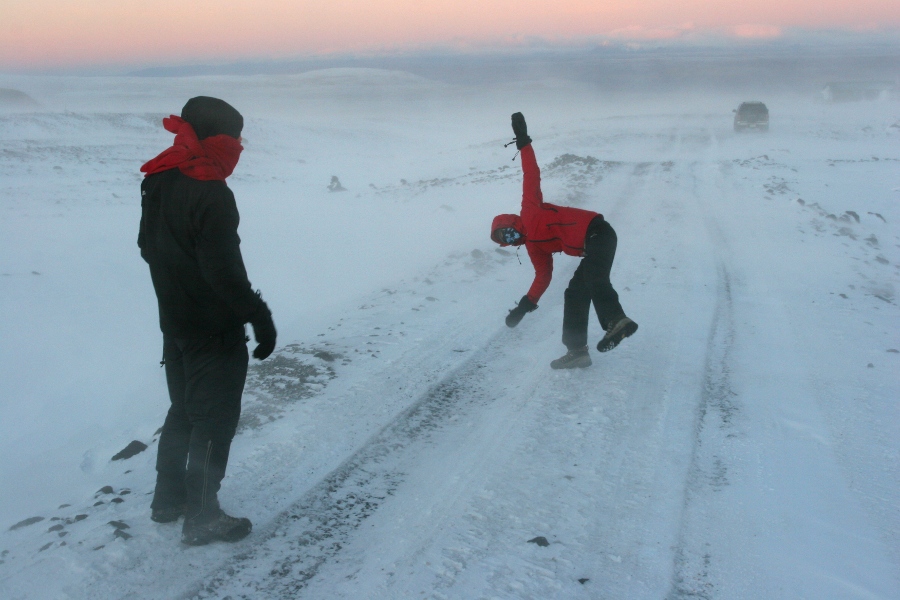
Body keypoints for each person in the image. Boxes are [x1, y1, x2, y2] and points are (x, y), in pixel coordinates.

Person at [138, 96, 277, 545]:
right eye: (235, 138)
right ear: (221, 139)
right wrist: (259, 316)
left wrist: (177, 291)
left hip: (173, 321)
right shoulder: (211, 191)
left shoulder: (159, 178)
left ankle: (168, 499)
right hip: (212, 327)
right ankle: (202, 516)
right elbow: (223, 271)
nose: (239, 147)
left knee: (183, 410)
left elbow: (147, 246)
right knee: (214, 420)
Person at [490, 112, 637, 369]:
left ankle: (616, 320)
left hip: (599, 233)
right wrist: (524, 307)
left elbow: (531, 174)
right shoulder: (534, 248)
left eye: (509, 231)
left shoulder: (530, 209)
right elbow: (542, 278)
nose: (513, 239)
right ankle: (577, 351)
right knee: (574, 293)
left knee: (593, 278)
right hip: (589, 248)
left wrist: (523, 141)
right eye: (508, 240)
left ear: (512, 222)